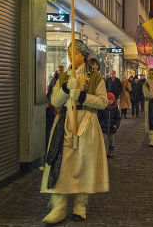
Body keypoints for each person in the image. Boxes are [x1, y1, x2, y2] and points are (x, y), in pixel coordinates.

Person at [40, 39, 108, 224]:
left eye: (75, 52)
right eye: (69, 52)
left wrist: (83, 96)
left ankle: (80, 205)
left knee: (83, 164)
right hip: (64, 123)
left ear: (84, 56)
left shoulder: (95, 78)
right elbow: (55, 101)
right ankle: (59, 206)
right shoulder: (63, 76)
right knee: (60, 163)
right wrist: (64, 88)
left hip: (86, 124)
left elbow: (103, 102)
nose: (71, 55)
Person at [98, 92, 121, 157]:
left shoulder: (115, 109)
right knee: (103, 139)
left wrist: (116, 125)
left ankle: (111, 150)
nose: (110, 101)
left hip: (112, 127)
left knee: (111, 139)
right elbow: (99, 117)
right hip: (103, 127)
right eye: (108, 99)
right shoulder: (102, 108)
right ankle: (103, 151)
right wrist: (100, 124)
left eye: (111, 100)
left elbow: (118, 118)